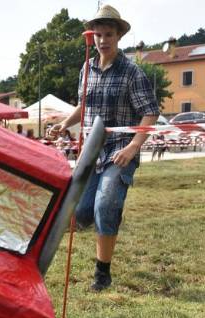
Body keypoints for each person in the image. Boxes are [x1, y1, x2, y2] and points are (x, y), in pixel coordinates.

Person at [49, 4, 159, 292]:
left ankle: (102, 274)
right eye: (98, 35)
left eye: (109, 34)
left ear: (118, 36)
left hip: (119, 151)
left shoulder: (132, 72)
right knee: (81, 213)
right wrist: (64, 124)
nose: (103, 40)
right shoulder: (87, 68)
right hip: (91, 151)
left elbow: (150, 112)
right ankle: (102, 220)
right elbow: (83, 105)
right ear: (92, 37)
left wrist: (134, 146)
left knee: (105, 204)